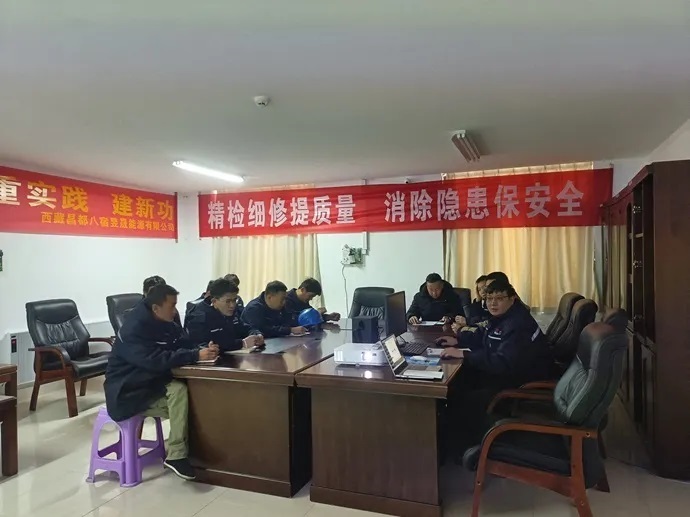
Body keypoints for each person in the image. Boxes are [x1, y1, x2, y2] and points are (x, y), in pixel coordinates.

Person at [104, 284, 219, 481]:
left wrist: (202, 349)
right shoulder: (134, 329)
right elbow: (153, 360)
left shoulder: (165, 322)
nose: (175, 310)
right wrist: (194, 355)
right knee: (181, 394)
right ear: (156, 308)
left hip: (150, 385)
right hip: (128, 392)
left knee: (193, 398)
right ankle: (177, 455)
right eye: (172, 305)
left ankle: (192, 452)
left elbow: (182, 342)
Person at [436, 279, 551, 454]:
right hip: (504, 375)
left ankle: (462, 451)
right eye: (489, 299)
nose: (493, 303)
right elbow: (486, 337)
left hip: (515, 384)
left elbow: (502, 362)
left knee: (460, 396)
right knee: (457, 383)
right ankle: (446, 441)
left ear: (512, 299)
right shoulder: (504, 318)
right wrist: (458, 340)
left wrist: (464, 355)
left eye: (499, 298)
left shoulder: (517, 324)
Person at [185, 278, 264, 352]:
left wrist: (256, 334)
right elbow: (203, 345)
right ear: (214, 301)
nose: (232, 305)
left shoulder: (231, 311)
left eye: (234, 300)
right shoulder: (199, 316)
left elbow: (244, 328)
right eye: (228, 301)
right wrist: (242, 343)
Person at [241, 280, 307, 337]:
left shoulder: (280, 306)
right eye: (282, 299)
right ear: (270, 297)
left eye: (285, 299)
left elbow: (288, 321)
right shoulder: (254, 308)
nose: (284, 302)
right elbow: (261, 330)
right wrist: (289, 330)